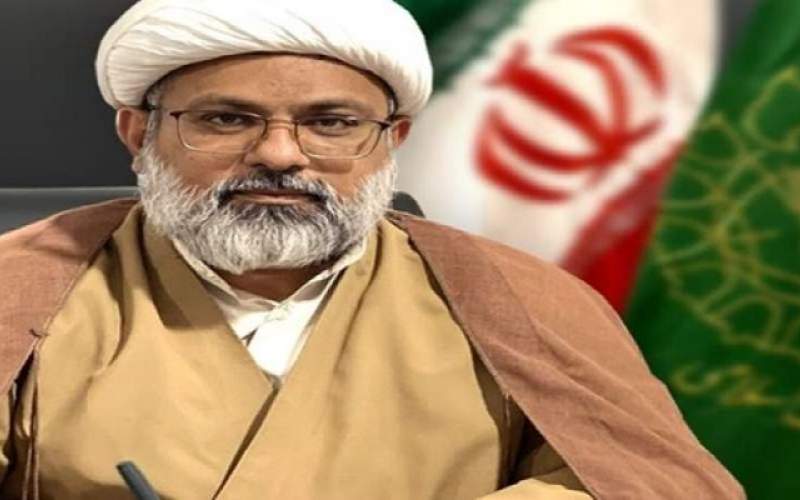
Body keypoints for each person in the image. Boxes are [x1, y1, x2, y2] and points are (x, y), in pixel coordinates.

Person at [0, 1, 744, 498]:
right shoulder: (21, 282)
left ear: (392, 141)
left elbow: (646, 485)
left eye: (331, 123)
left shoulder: (522, 297)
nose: (281, 155)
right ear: (139, 133)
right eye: (227, 120)